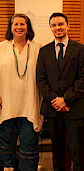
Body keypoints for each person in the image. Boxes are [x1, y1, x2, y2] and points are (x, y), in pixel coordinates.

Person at [0, 13, 43, 171]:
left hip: (29, 104)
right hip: (5, 103)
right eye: (16, 24)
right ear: (11, 27)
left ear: (28, 27)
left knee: (29, 143)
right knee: (6, 141)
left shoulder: (37, 47)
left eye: (23, 24)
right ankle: (7, 167)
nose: (19, 27)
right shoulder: (1, 47)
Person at [36, 12, 84, 171]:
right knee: (57, 151)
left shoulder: (80, 49)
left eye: (61, 24)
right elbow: (41, 80)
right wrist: (56, 100)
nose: (58, 28)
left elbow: (82, 78)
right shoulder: (44, 51)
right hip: (53, 109)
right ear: (50, 28)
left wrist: (66, 99)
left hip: (75, 108)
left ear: (68, 26)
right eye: (54, 25)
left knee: (78, 151)